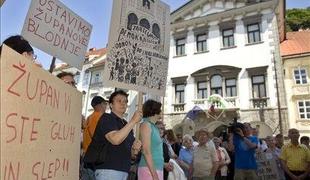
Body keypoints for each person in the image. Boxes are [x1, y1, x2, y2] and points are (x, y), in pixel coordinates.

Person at [91, 90, 142, 180]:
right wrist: (133, 121)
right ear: (111, 105)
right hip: (108, 170)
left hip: (124, 170)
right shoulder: (106, 118)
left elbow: (130, 154)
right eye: (119, 101)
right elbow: (115, 140)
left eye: (125, 101)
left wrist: (135, 150)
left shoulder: (126, 125)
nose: (123, 103)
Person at [81, 96, 108, 180]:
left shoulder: (89, 118)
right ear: (99, 105)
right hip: (97, 158)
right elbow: (101, 137)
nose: (106, 106)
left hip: (87, 156)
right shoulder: (102, 117)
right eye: (105, 103)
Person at [138, 99, 164, 180]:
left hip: (156, 169)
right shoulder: (146, 125)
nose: (161, 111)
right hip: (149, 170)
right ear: (154, 110)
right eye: (160, 109)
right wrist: (154, 175)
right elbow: (146, 151)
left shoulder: (153, 126)